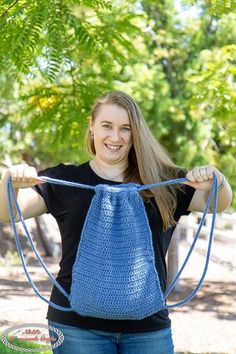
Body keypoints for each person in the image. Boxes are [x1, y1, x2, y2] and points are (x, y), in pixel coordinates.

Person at [0, 90, 232, 354]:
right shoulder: (65, 179)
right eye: (107, 126)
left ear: (135, 134)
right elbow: (8, 213)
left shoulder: (163, 182)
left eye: (125, 128)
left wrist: (217, 179)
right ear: (92, 127)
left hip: (148, 329)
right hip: (76, 327)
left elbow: (217, 203)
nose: (115, 136)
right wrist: (10, 181)